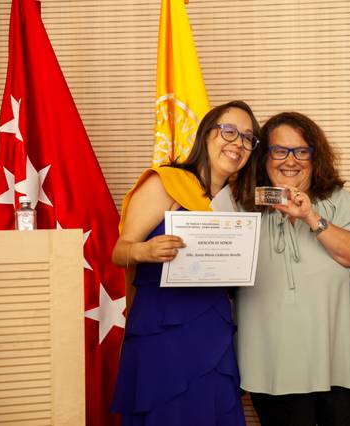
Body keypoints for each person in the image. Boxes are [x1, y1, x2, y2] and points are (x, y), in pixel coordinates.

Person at [110, 100, 261, 426]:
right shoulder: (166, 182)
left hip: (214, 329)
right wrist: (144, 252)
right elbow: (119, 251)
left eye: (248, 138)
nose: (238, 143)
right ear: (207, 134)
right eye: (229, 131)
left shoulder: (236, 202)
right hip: (163, 327)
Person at [235, 112, 350, 426]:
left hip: (344, 367)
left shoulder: (338, 201)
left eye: (302, 151)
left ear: (315, 157)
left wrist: (310, 217)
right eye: (280, 150)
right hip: (274, 369)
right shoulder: (239, 206)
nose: (291, 160)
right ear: (263, 157)